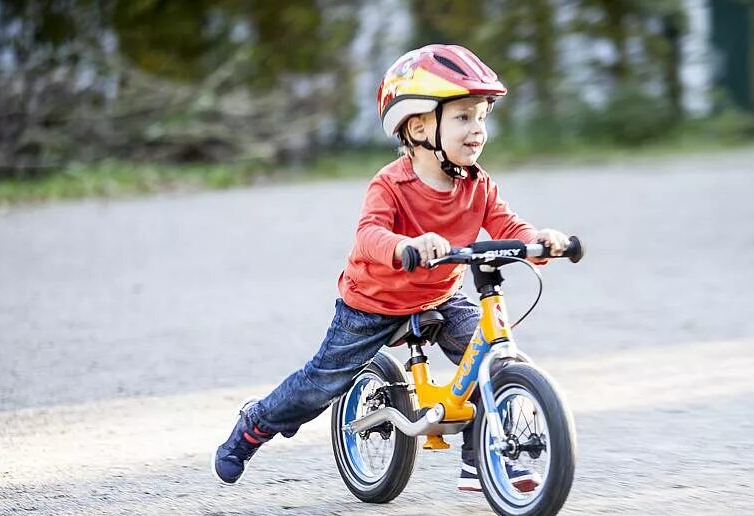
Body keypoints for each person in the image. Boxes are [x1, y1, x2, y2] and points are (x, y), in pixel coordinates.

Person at [212, 44, 570, 492]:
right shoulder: (391, 184)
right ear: (418, 126)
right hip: (372, 303)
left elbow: (508, 225)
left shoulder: (479, 186)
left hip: (439, 295)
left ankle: (482, 459)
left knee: (493, 360)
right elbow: (369, 234)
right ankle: (254, 425)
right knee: (320, 385)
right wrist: (407, 246)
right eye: (463, 117)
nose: (477, 130)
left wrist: (536, 241)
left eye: (482, 116)